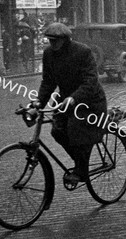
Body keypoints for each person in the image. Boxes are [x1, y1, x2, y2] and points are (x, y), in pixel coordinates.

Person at [34, 22, 108, 185]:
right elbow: (48, 82)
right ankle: (81, 164)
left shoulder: (83, 52)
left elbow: (91, 81)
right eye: (50, 41)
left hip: (90, 101)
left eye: (56, 41)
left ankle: (81, 169)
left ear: (65, 40)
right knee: (57, 131)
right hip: (66, 101)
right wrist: (38, 102)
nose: (53, 44)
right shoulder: (48, 54)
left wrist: (74, 98)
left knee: (76, 129)